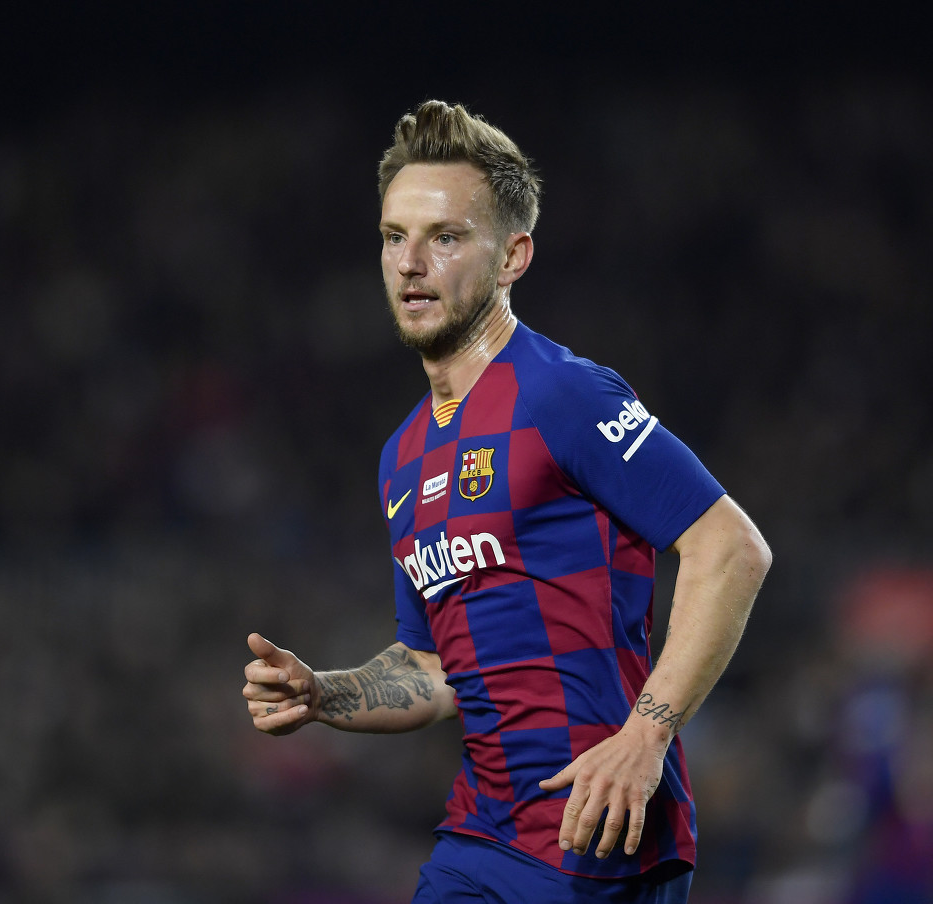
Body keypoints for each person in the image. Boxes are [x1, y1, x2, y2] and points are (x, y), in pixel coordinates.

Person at [242, 100, 771, 903]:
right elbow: (433, 666)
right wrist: (325, 693)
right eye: (394, 237)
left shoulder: (563, 394)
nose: (410, 263)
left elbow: (730, 548)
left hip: (597, 835)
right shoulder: (401, 456)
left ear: (512, 257)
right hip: (482, 833)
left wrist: (647, 736)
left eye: (445, 238)